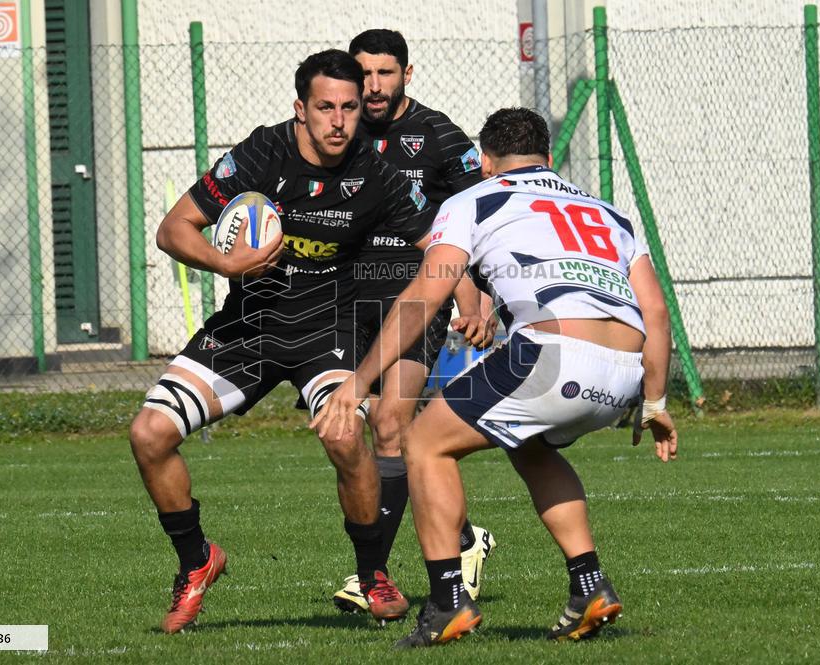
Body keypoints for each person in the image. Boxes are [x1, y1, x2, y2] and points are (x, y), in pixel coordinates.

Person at [312, 107, 679, 648]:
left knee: (424, 444)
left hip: (553, 356)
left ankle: (447, 603)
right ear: (550, 159)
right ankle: (590, 586)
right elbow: (657, 312)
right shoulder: (610, 212)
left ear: (485, 163)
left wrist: (361, 376)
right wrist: (655, 402)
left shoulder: (473, 199)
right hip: (624, 370)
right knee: (527, 445)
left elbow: (425, 293)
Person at [128, 49, 436, 634]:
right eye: (325, 108)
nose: (340, 121)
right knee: (149, 434)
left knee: (346, 434)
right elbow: (172, 230)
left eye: (349, 108)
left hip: (328, 329)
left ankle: (372, 574)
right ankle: (197, 562)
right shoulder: (262, 153)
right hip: (250, 327)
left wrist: (471, 292)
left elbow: (437, 246)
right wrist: (227, 260)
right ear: (301, 108)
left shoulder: (377, 172)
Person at [326, 28, 498, 616]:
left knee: (394, 422)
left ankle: (371, 574)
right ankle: (466, 537)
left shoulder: (439, 134)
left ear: (407, 73)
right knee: (369, 430)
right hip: (347, 300)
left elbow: (485, 215)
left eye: (385, 73)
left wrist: (481, 295)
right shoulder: (337, 132)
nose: (372, 86)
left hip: (417, 296)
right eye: (363, 73)